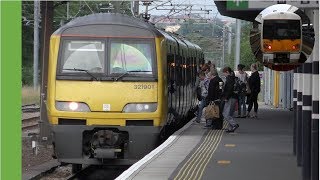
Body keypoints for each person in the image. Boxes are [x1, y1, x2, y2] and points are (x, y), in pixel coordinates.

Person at [221, 67, 239, 133]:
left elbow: (229, 89)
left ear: (227, 72)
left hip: (230, 98)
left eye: (224, 73)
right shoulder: (232, 78)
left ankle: (234, 124)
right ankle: (230, 128)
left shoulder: (229, 79)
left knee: (225, 113)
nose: (224, 74)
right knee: (230, 114)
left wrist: (226, 98)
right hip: (233, 97)